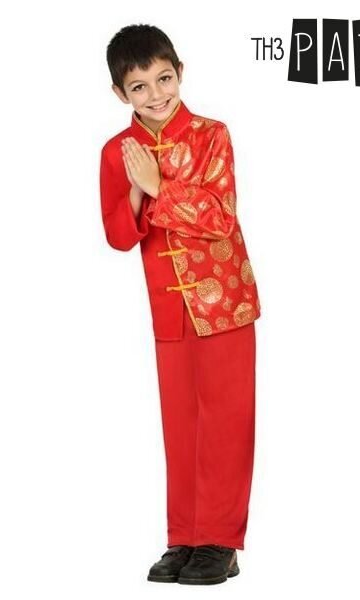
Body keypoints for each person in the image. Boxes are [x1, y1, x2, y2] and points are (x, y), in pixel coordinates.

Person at [100, 23, 262, 586]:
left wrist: (160, 188)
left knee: (226, 423)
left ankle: (221, 541)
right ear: (120, 93)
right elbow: (119, 236)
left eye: (163, 78)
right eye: (138, 86)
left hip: (225, 303)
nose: (156, 94)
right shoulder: (117, 153)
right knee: (181, 426)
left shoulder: (212, 135)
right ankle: (185, 538)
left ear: (180, 73)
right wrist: (138, 185)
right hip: (168, 310)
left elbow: (221, 216)